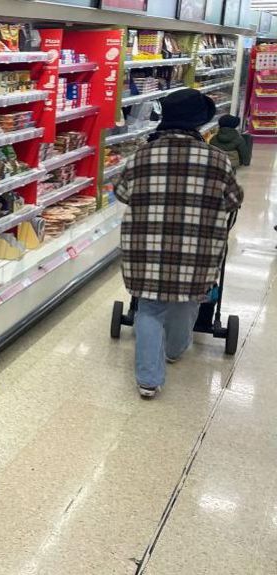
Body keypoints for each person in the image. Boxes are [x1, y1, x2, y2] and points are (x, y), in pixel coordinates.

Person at [115, 88, 243, 399]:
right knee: (188, 301)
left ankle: (148, 379)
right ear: (199, 122)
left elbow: (122, 193)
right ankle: (173, 350)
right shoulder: (218, 159)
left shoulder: (141, 156)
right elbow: (233, 199)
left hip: (145, 249)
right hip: (197, 251)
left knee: (149, 307)